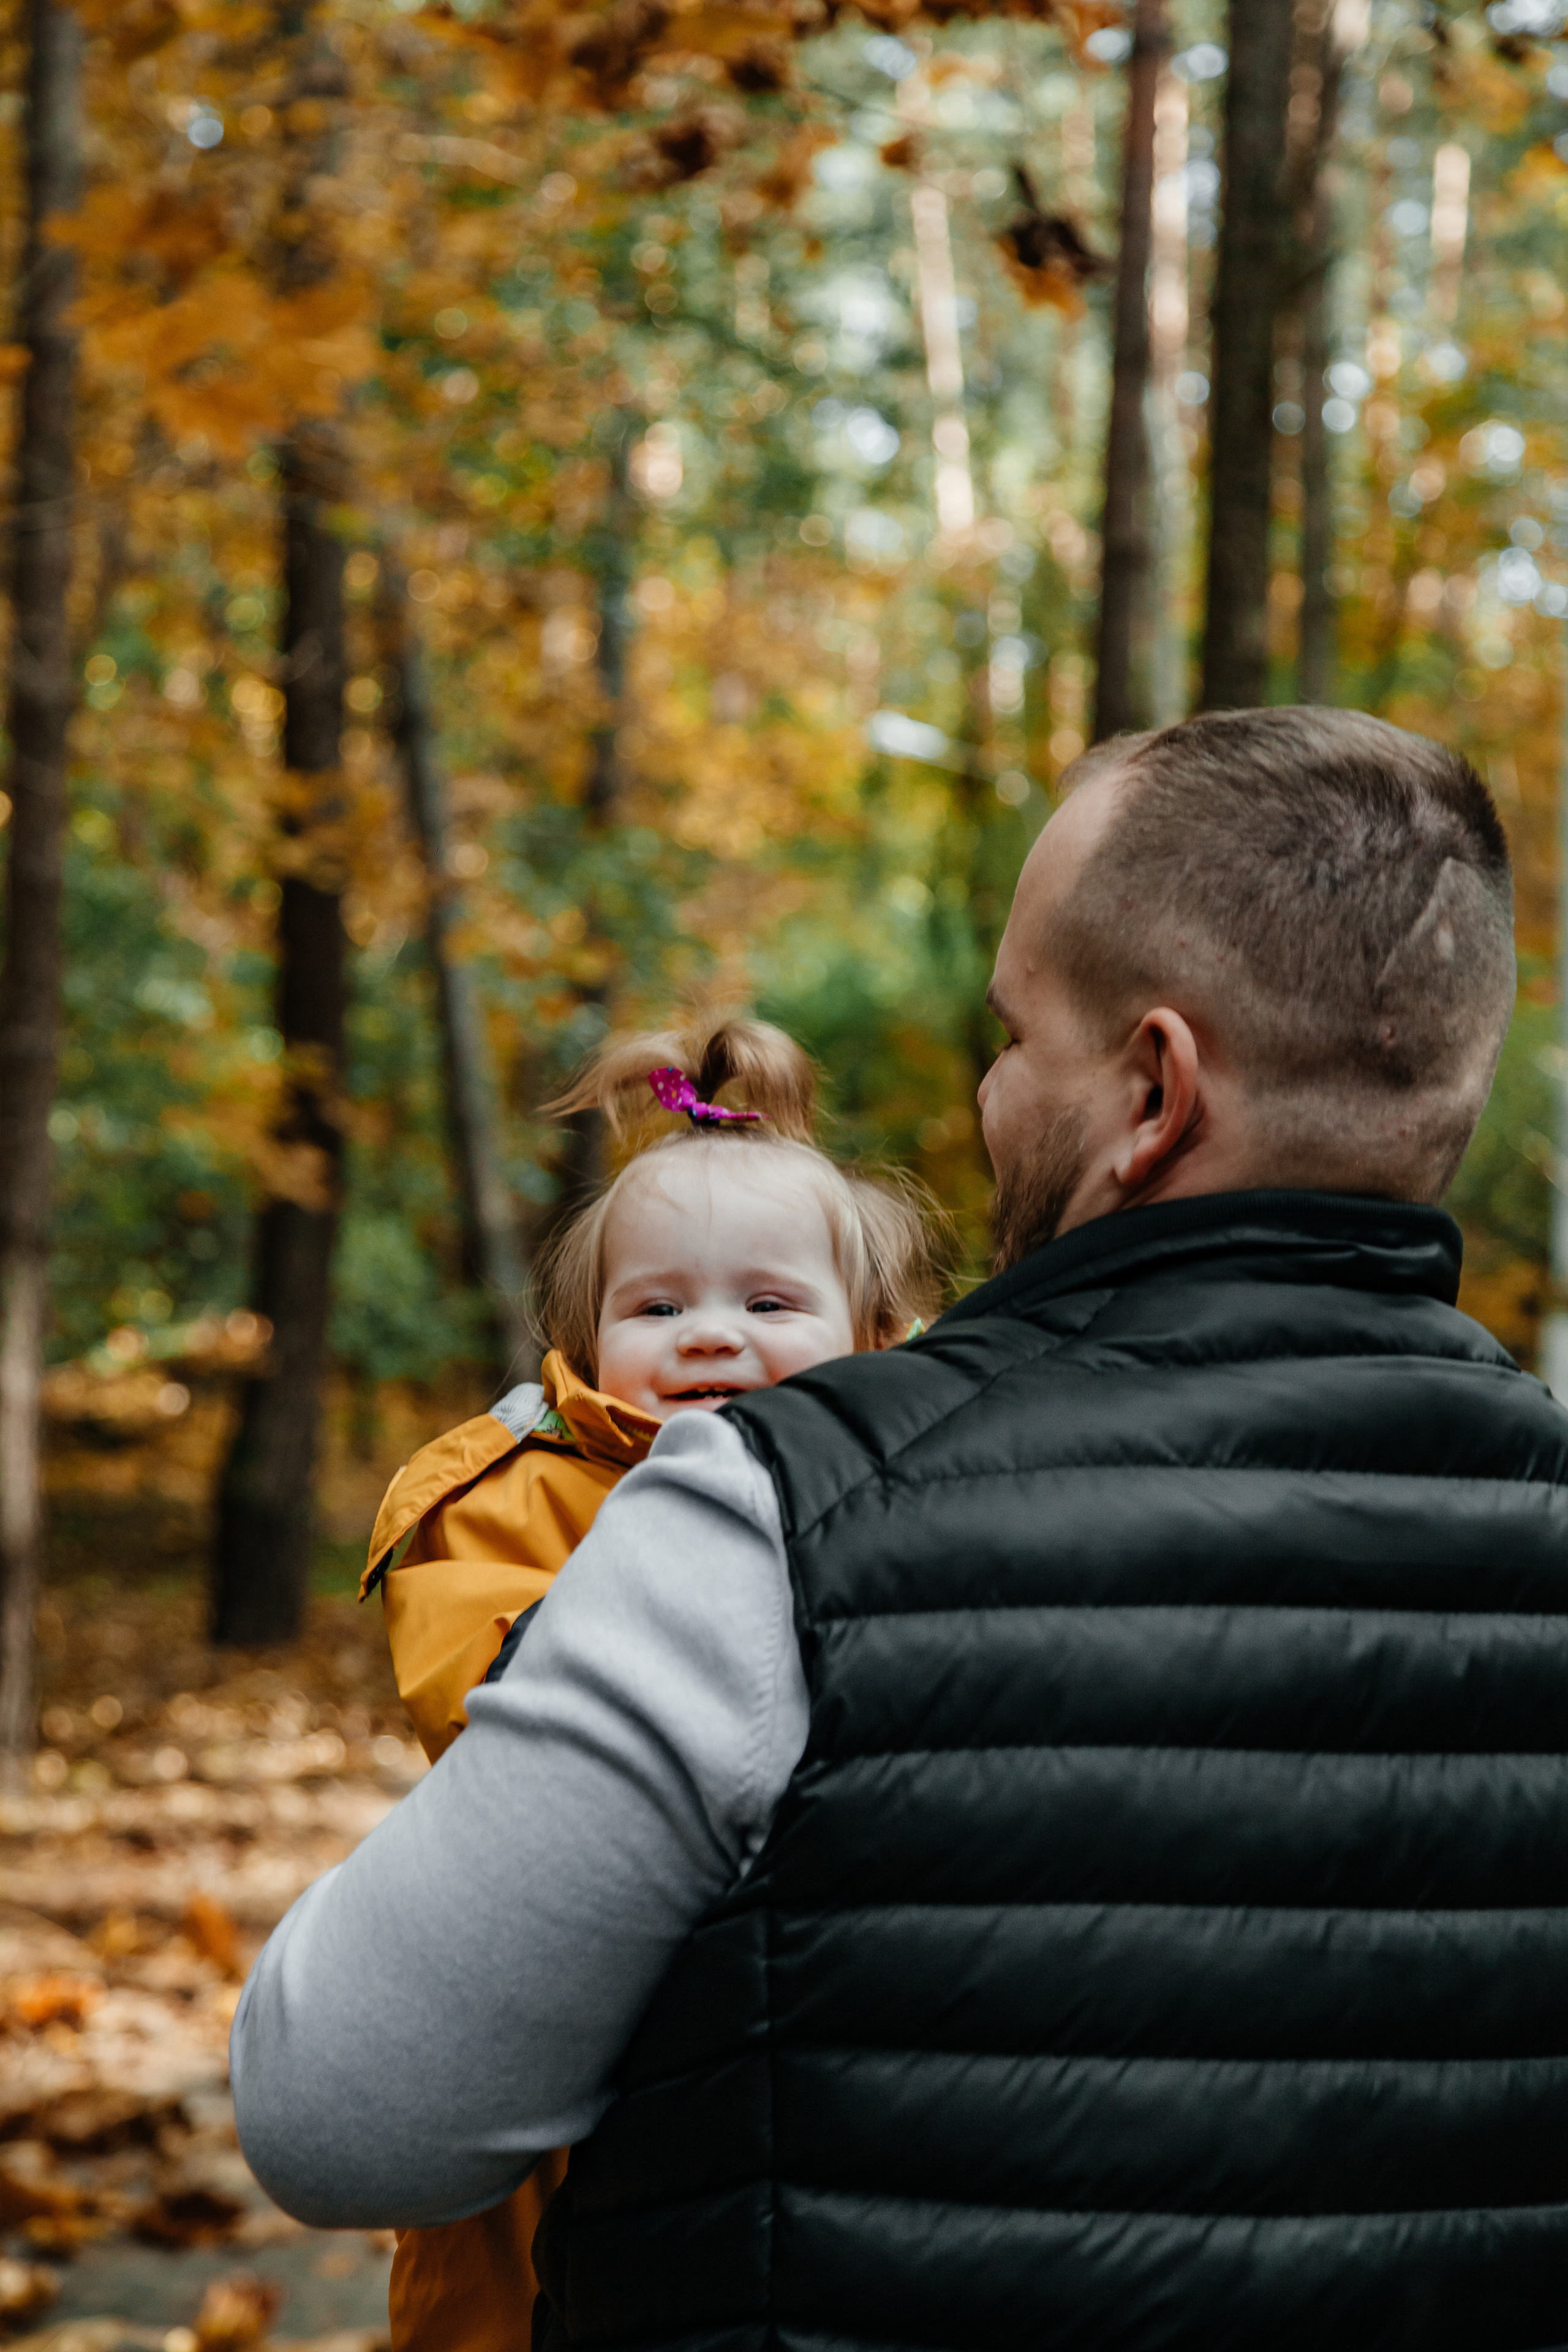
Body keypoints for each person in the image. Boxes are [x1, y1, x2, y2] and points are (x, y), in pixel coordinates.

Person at [233, 708, 1568, 2348]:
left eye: (1014, 1038)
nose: (994, 1091)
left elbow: (348, 2114)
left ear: (1154, 1088)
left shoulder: (774, 1513)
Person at [362, 1015, 941, 2352]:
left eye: (768, 1304)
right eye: (658, 1306)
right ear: (583, 1330)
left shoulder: (911, 1495)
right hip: (565, 2011)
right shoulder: (508, 1498)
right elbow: (491, 1706)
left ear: (875, 1331)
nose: (707, 1339)